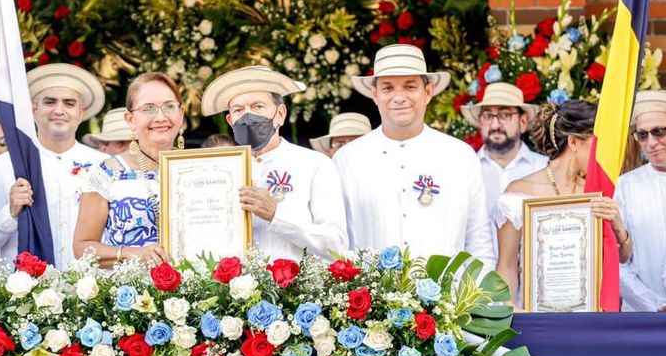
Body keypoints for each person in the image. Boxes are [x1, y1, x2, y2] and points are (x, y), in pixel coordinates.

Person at [334, 44, 495, 269]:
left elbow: (479, 243)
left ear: (428, 92)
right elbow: (335, 245)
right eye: (388, 88)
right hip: (369, 291)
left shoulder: (460, 157)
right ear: (375, 94)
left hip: (449, 291)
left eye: (410, 87)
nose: (399, 97)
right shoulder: (347, 160)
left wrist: (478, 289)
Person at [200, 66, 348, 262]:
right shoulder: (214, 171)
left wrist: (277, 215)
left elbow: (336, 245)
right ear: (230, 120)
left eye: (258, 106)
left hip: (296, 281)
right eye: (238, 110)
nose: (248, 116)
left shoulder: (315, 165)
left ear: (280, 114)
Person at [494, 100, 631, 306]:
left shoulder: (596, 191)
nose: (605, 154)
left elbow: (622, 258)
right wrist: (508, 310)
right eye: (600, 144)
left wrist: (619, 228)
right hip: (536, 316)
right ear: (574, 142)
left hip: (591, 315)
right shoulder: (519, 193)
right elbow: (507, 265)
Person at [0, 63, 105, 268]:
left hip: (92, 285)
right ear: (33, 109)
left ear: (81, 112)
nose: (59, 110)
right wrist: (10, 213)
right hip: (22, 286)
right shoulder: (5, 165)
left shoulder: (103, 166)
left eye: (69, 103)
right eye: (50, 102)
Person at [74, 72, 184, 267]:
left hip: (197, 284)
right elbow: (82, 248)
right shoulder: (105, 174)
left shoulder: (203, 168)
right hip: (132, 286)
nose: (161, 117)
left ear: (181, 113)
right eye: (148, 108)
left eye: (169, 106)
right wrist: (132, 254)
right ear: (130, 119)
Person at [615, 90, 666, 311]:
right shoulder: (624, 187)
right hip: (643, 317)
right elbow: (615, 260)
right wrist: (654, 306)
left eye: (659, 132)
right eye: (642, 135)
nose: (651, 143)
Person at [460, 82, 547, 225]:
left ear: (523, 121)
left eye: (505, 115)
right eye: (488, 115)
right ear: (480, 122)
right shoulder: (465, 170)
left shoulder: (544, 168)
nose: (495, 125)